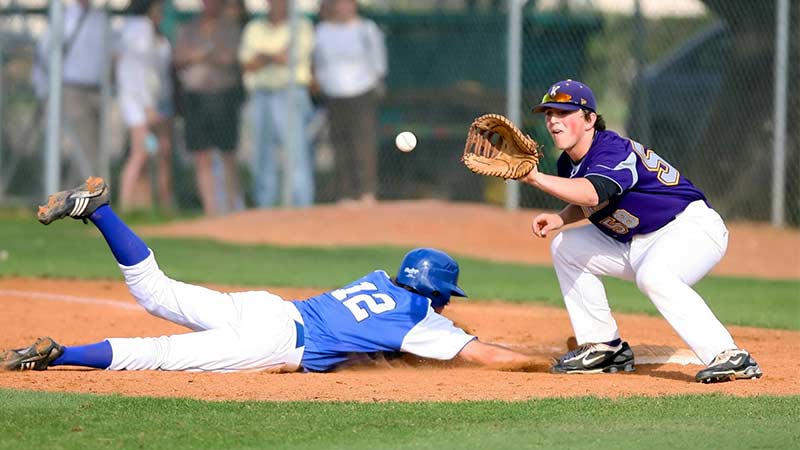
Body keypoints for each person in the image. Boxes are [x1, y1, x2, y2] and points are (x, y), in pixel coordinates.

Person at [1, 177, 537, 373]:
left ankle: (99, 210)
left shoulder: (377, 278)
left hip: (267, 307)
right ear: (438, 294)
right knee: (161, 354)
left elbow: (372, 338)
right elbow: (486, 355)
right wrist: (548, 366)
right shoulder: (423, 320)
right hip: (276, 339)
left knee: (155, 291)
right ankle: (60, 355)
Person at [522, 79, 762, 383]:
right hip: (636, 241)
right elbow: (590, 200)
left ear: (589, 119)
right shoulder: (567, 163)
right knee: (565, 247)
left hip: (689, 228)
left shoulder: (612, 149)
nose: (553, 120)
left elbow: (595, 192)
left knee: (655, 276)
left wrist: (534, 179)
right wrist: (561, 219)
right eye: (548, 113)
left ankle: (729, 355)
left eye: (564, 112)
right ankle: (604, 348)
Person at [239, 0, 315, 208]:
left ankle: (302, 207)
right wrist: (274, 55)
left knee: (296, 153)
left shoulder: (301, 26)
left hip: (290, 93)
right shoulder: (254, 28)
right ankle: (265, 208)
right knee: (261, 155)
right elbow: (248, 63)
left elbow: (290, 57)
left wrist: (264, 56)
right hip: (261, 94)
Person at [313, 0, 387, 205]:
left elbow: (378, 62)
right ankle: (345, 193)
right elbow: (318, 63)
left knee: (363, 142)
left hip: (362, 91)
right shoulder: (322, 31)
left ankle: (367, 191)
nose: (344, 7)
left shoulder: (366, 29)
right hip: (334, 93)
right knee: (339, 143)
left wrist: (375, 83)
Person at [173, 0, 243, 216]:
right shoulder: (189, 27)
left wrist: (198, 55)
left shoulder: (230, 27)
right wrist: (205, 54)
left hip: (223, 96)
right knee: (201, 154)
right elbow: (178, 58)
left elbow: (230, 57)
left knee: (227, 153)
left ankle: (233, 208)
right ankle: (211, 210)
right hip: (195, 98)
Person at [31, 0, 110, 187]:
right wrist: (43, 90)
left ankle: (80, 196)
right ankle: (81, 197)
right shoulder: (64, 18)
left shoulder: (100, 18)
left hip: (98, 88)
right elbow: (44, 55)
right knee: (83, 148)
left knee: (96, 149)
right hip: (72, 89)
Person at [116, 0, 174, 212]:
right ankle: (125, 206)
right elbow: (138, 71)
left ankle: (147, 206)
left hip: (150, 101)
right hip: (139, 103)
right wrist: (148, 106)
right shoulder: (140, 28)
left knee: (154, 152)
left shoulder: (147, 29)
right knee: (140, 153)